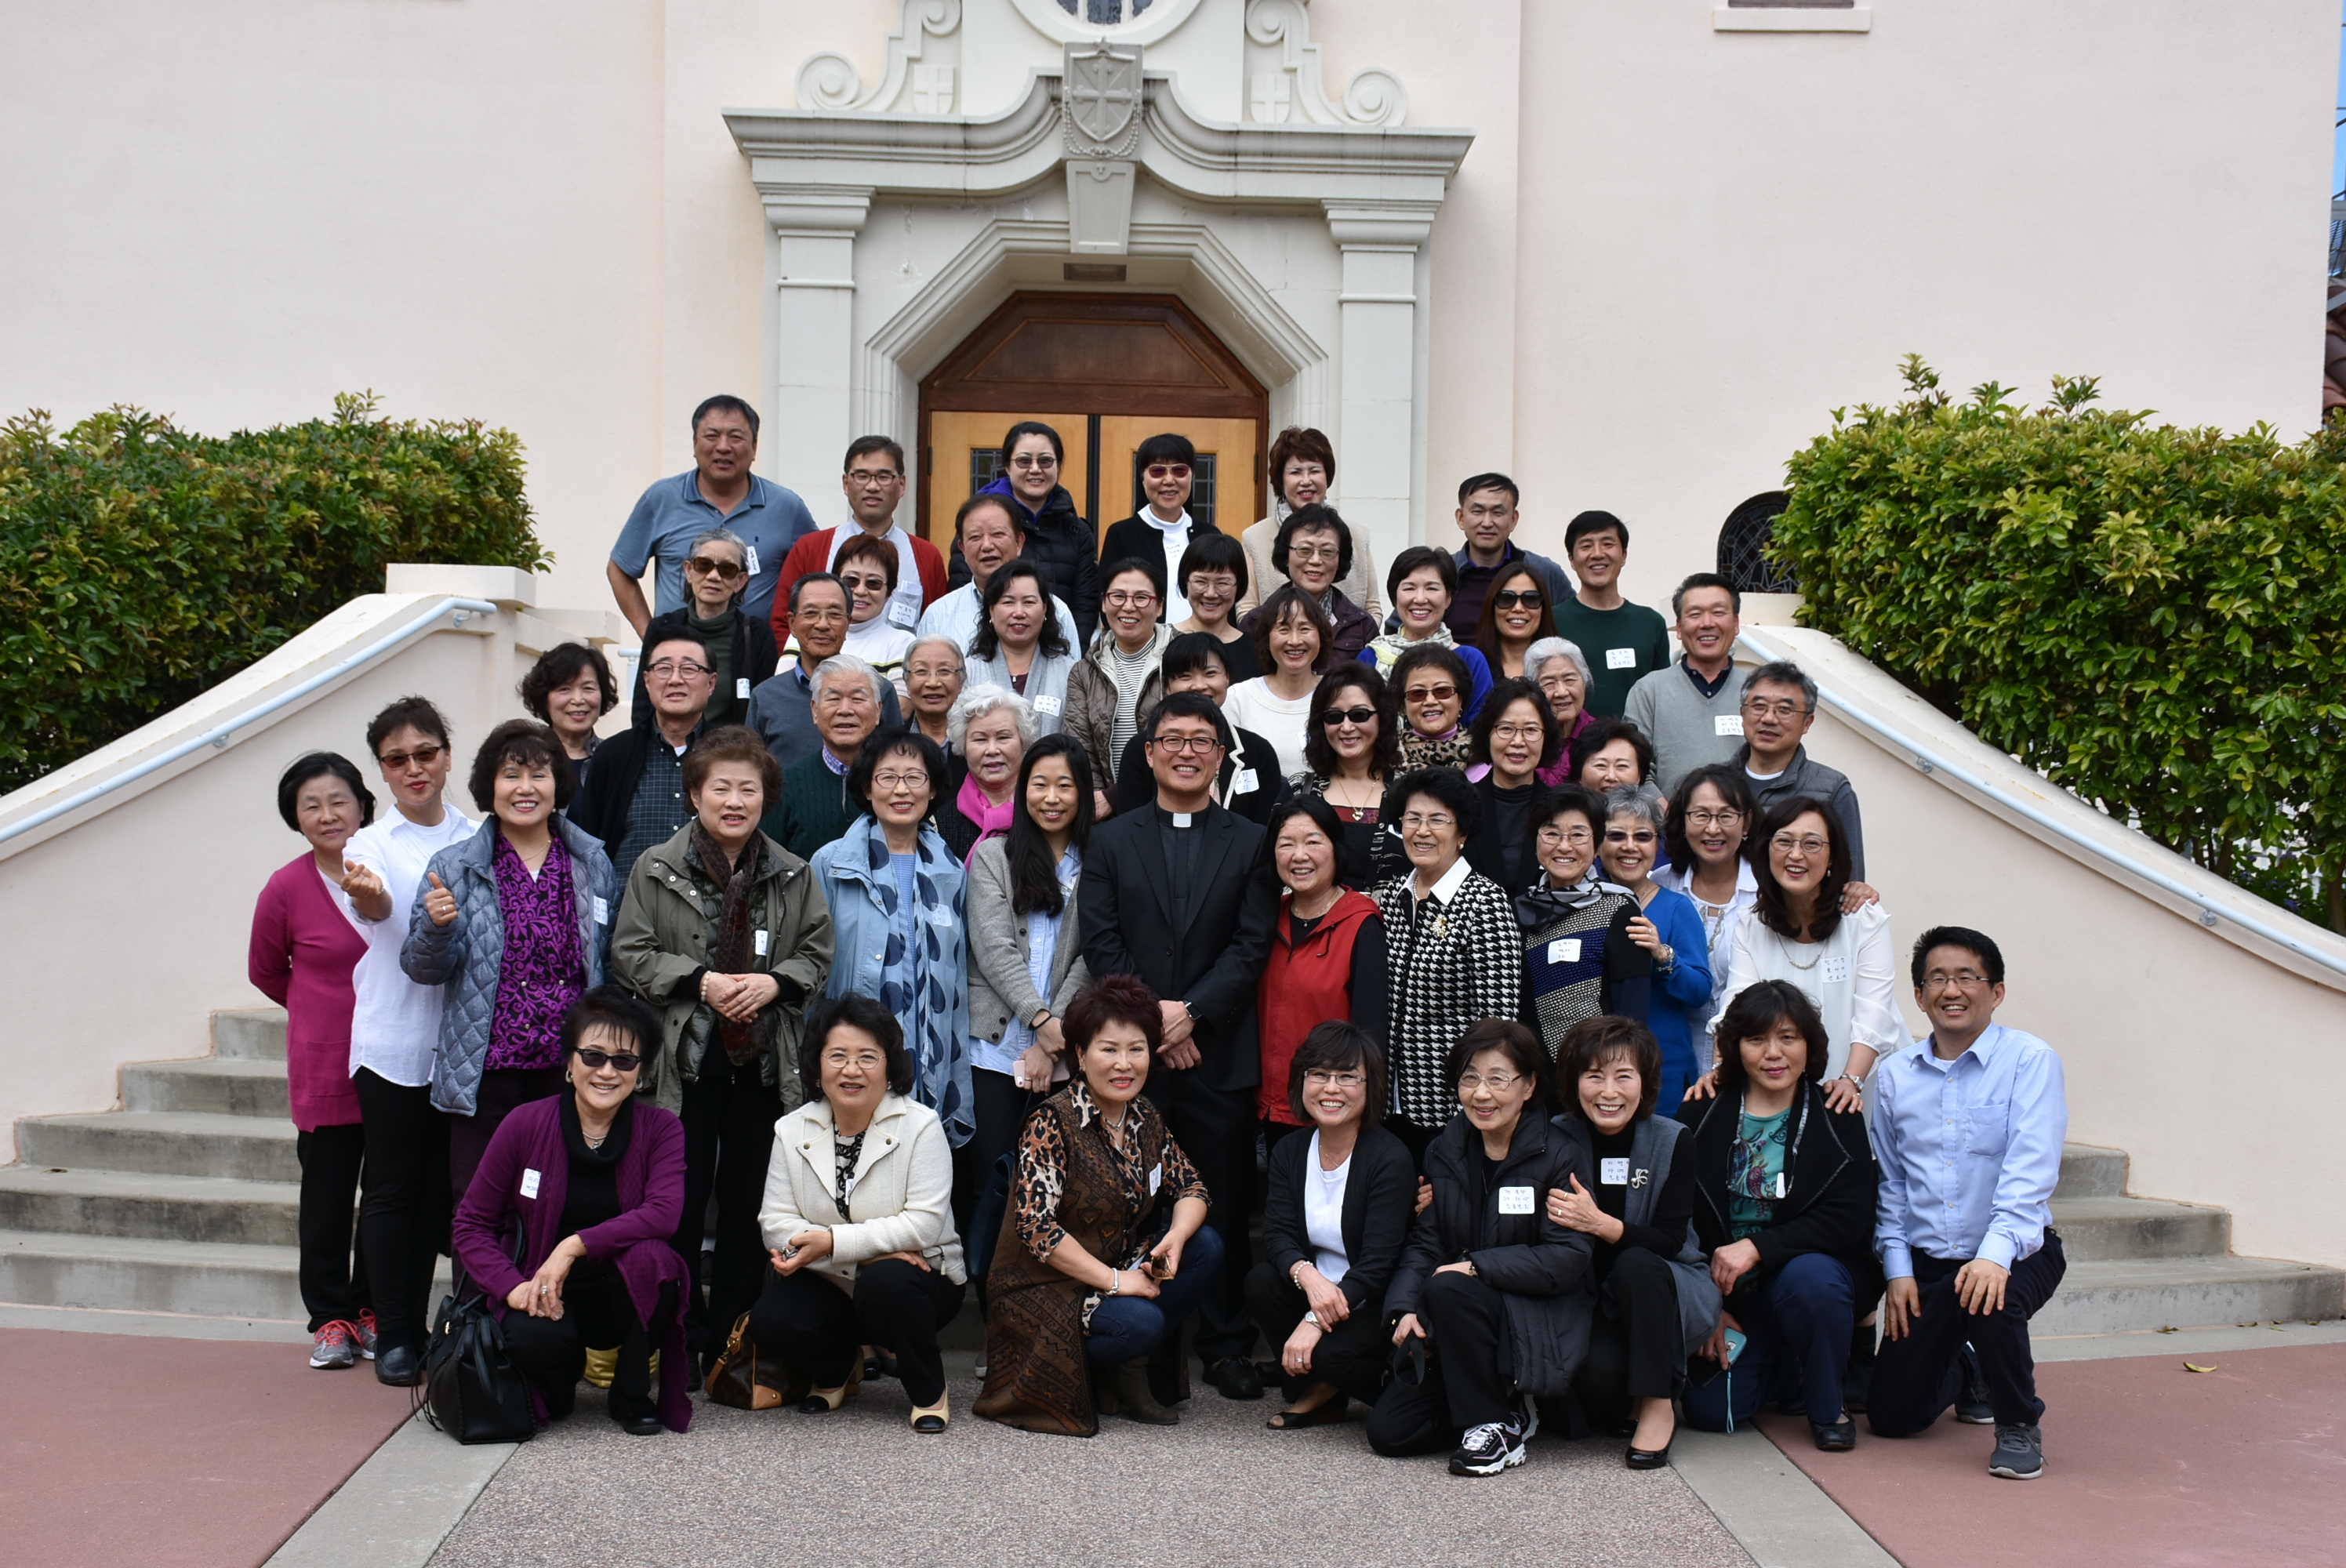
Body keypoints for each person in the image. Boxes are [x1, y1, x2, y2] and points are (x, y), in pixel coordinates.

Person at [608, 724, 833, 1361]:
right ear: (695, 795)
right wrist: (700, 982)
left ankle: (734, 1335)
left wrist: (772, 984)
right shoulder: (656, 867)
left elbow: (817, 954)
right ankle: (677, 1330)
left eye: (749, 790)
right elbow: (630, 953)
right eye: (721, 789)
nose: (734, 802)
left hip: (763, 1067)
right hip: (683, 1066)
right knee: (676, 1207)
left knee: (747, 1207)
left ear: (767, 798)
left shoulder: (793, 873)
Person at [1078, 694, 1280, 1400]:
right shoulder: (1110, 840)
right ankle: (1142, 1337)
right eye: (1172, 739)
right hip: (1132, 1064)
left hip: (1216, 1055)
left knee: (1220, 1199)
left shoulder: (1253, 841)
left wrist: (1192, 1015)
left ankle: (1224, 1344)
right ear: (1150, 752)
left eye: (1202, 740)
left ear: (1222, 754)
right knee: (1130, 1199)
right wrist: (1156, 1028)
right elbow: (1103, 943)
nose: (1187, 751)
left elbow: (1251, 944)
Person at [976, 975, 1221, 1435]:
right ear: (1081, 1056)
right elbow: (1036, 1229)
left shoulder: (1145, 1116)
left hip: (1116, 1267)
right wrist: (1117, 1282)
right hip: (1044, 1284)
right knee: (1141, 1324)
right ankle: (1096, 1368)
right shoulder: (1051, 1122)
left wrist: (1175, 1237)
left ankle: (1126, 1369)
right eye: (1108, 1049)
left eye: (1137, 1049)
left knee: (1205, 1245)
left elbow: (1192, 1187)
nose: (1124, 1064)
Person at [1868, 927, 2068, 1482]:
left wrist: (1993, 1256)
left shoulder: (2030, 1060)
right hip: (1930, 1261)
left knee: (1991, 1297)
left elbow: (2029, 1178)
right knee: (1891, 1417)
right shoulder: (1893, 1077)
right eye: (1937, 978)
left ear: (1996, 992)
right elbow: (1891, 1182)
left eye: (1967, 977)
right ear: (1919, 995)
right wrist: (1898, 1270)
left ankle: (2019, 1422)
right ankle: (1968, 1365)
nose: (1951, 989)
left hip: (2018, 1250)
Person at [450, 987, 692, 1435]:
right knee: (539, 1356)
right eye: (594, 1056)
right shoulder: (524, 1123)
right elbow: (472, 1224)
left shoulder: (661, 1128)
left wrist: (572, 1246)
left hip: (614, 1292)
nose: (607, 1071)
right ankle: (556, 1384)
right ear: (568, 1063)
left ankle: (631, 1392)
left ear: (640, 1073)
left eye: (624, 1060)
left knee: (656, 1262)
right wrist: (511, 1288)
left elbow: (663, 1214)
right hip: (540, 1291)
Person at [1367, 1020, 1593, 1476]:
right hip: (1456, 1316)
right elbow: (1426, 1242)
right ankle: (1503, 1410)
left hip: (1533, 1314)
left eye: (1497, 1079)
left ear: (1529, 1086)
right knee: (1389, 1433)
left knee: (1449, 1288)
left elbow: (1567, 1257)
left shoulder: (1559, 1154)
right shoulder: (1443, 1150)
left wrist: (1473, 1266)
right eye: (1469, 1078)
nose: (1482, 1094)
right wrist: (1404, 1308)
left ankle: (1493, 1422)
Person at [401, 720, 616, 1199]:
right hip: (487, 1068)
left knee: (555, 1199)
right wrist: (437, 928)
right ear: (488, 786)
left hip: (568, 1067)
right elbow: (423, 969)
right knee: (481, 1202)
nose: (525, 788)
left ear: (558, 783)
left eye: (539, 775)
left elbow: (607, 960)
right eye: (511, 775)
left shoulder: (591, 862)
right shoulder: (453, 866)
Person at [333, 696, 477, 1385]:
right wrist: (366, 894)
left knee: (439, 1196)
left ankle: (437, 1328)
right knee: (391, 1190)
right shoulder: (368, 847)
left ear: (447, 755)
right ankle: (394, 1333)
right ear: (383, 773)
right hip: (391, 1046)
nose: (415, 768)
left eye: (426, 753)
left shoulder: (477, 835)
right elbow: (379, 906)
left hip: (460, 1046)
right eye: (398, 759)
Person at [1678, 981, 1881, 1450]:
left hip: (1807, 1278)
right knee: (1711, 1414)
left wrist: (1758, 1247)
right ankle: (1785, 1365)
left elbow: (1848, 1218)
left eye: (1788, 1037)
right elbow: (1677, 1217)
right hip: (1730, 1294)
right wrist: (1708, 1305)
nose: (1774, 1053)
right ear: (1734, 1048)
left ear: (1809, 1046)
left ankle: (1828, 1402)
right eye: (1756, 1040)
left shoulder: (1836, 1113)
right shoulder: (1700, 1112)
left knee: (1811, 1280)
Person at [752, 995, 968, 1430]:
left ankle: (929, 1392)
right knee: (771, 1318)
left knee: (888, 1283)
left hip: (923, 1279)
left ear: (890, 1065)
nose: (851, 1070)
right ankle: (836, 1370)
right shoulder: (790, 1129)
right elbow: (774, 1224)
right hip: (835, 1281)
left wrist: (830, 1244)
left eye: (867, 1057)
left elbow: (923, 1225)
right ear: (817, 1064)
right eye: (838, 1056)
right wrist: (863, 1254)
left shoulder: (921, 1126)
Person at [250, 752, 376, 1370]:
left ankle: (373, 1306)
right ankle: (331, 1317)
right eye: (312, 805)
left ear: (362, 803)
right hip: (324, 1063)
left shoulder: (392, 864)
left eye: (338, 800)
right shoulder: (286, 887)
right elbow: (267, 971)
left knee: (387, 1192)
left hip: (392, 1059)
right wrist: (315, 1007)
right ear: (295, 818)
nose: (329, 815)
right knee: (326, 1198)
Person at [1549, 1016, 1721, 1468]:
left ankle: (1657, 1403)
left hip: (1666, 1282)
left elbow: (1668, 1239)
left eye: (1623, 1076)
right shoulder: (1554, 1135)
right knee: (1594, 1387)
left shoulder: (1672, 1139)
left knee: (1637, 1262)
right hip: (1590, 1296)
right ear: (1574, 1081)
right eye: (1594, 1076)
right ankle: (1626, 1392)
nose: (1609, 1092)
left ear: (1645, 1084)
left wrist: (1601, 1224)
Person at [809, 728, 972, 1150]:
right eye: (887, 777)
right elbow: (813, 962)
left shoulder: (951, 870)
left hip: (930, 1048)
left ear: (933, 789)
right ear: (867, 787)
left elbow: (956, 979)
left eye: (914, 778)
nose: (901, 790)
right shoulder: (831, 864)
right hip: (854, 1050)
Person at [1245, 1023, 1414, 1428]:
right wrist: (1309, 1278)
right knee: (1261, 1282)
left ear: (1370, 1086)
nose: (1331, 1088)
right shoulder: (1290, 1150)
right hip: (1319, 1289)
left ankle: (1337, 1383)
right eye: (1319, 1075)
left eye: (1347, 1077)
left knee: (1327, 1354)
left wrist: (1312, 1321)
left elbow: (1378, 1265)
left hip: (1369, 1300)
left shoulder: (1389, 1158)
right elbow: (1278, 1233)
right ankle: (1323, 1390)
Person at [964, 735, 1096, 1220]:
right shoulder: (993, 858)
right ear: (1023, 792)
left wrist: (1051, 1036)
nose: (1052, 797)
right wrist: (1040, 1020)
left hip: (1069, 1053)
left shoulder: (1100, 861)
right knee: (994, 1185)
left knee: (1058, 1189)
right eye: (1039, 784)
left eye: (1065, 785)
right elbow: (993, 948)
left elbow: (1093, 952)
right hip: (995, 1052)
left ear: (1083, 793)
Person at [1699, 797, 1895, 1106]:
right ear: (1765, 849)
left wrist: (1850, 1080)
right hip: (1777, 1085)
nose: (1796, 854)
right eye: (1784, 841)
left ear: (1832, 857)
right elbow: (1737, 1002)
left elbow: (1875, 1013)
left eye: (1812, 844)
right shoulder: (1752, 923)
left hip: (1858, 1079)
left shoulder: (1863, 919)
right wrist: (1719, 1068)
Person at [1374, 768, 1523, 1157]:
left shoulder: (1485, 902)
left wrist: (1475, 1097)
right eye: (1412, 819)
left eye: (1437, 820)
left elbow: (1497, 1020)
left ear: (1462, 834)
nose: (1422, 831)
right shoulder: (1392, 896)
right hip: (1389, 1101)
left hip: (1451, 1105)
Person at [607, 394, 816, 634]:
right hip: (676, 661)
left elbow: (817, 578)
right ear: (695, 443)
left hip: (756, 662)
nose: (724, 447)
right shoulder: (661, 498)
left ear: (755, 447)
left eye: (736, 437)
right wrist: (650, 634)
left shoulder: (787, 507)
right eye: (712, 436)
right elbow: (620, 569)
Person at [1257, 798, 1389, 1148]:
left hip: (1332, 1109)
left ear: (1336, 848)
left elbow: (1370, 1030)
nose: (1299, 855)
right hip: (1265, 1105)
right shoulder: (1265, 918)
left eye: (1313, 842)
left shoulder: (1361, 923)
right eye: (1286, 844)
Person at [1596, 789, 1713, 1118]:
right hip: (1597, 1070)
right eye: (1616, 836)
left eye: (1643, 837)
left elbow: (1700, 991)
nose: (1629, 846)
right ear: (1598, 844)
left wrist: (1663, 955)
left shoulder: (1676, 908)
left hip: (1665, 1069)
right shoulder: (1582, 904)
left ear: (1657, 845)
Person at [570, 629, 717, 885]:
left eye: (689, 669)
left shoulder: (732, 755)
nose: (675, 679)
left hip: (711, 916)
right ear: (647, 681)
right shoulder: (613, 755)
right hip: (628, 917)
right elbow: (589, 848)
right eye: (663, 669)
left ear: (711, 683)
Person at [1515, 784, 1652, 1052]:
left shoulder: (1619, 910)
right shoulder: (1520, 910)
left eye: (1578, 835)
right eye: (1552, 834)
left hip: (1595, 1068)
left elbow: (1632, 1012)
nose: (1564, 847)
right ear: (1536, 842)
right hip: (1532, 1072)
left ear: (1597, 845)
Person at [770, 436, 945, 642]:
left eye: (884, 477)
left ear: (902, 485)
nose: (872, 486)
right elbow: (783, 623)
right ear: (846, 483)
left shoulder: (926, 556)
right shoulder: (810, 549)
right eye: (862, 476)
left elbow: (938, 627)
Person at [1108, 633, 1286, 827]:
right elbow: (1131, 830)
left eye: (1210, 674)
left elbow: (1266, 834)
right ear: (1167, 685)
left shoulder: (1258, 752)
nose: (1199, 686)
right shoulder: (1141, 749)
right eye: (1185, 676)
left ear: (1227, 677)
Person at [953, 420, 1101, 646]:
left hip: (1056, 653)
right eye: (1024, 461)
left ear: (1058, 465)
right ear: (1007, 465)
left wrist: (1069, 657)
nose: (1035, 469)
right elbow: (964, 596)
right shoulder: (977, 526)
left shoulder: (1077, 532)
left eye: (1045, 461)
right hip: (985, 650)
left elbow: (1085, 607)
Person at [744, 573, 906, 773]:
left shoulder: (880, 690)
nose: (822, 624)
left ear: (848, 623)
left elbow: (895, 766)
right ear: (792, 623)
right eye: (811, 613)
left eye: (835, 614)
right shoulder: (766, 696)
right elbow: (752, 772)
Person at [626, 527, 779, 731]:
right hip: (668, 748)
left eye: (726, 570)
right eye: (704, 565)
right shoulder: (662, 628)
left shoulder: (757, 634)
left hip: (730, 753)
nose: (714, 576)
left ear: (740, 581)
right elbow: (643, 704)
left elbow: (764, 711)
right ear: (689, 571)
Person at [1737, 660, 1866, 880]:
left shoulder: (1832, 789)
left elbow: (1849, 878)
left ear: (1808, 723)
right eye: (1758, 707)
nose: (1769, 718)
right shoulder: (1718, 783)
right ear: (1742, 713)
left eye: (1785, 710)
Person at [1237, 426, 1382, 620]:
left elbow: (1372, 609)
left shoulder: (1357, 535)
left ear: (1327, 476)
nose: (1306, 481)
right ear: (1281, 479)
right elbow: (1246, 611)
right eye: (1295, 472)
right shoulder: (1255, 537)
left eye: (1314, 471)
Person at [915, 491, 1081, 657]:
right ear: (963, 549)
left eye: (997, 534)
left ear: (1019, 542)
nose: (987, 545)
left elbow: (1072, 678)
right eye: (975, 537)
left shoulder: (1057, 611)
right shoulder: (938, 615)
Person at [1656, 764, 1761, 1023]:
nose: (1713, 829)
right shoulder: (1659, 885)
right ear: (1682, 821)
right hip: (1674, 1050)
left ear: (1746, 823)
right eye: (1701, 815)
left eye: (1726, 816)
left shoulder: (1768, 890)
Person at [1285, 663, 1403, 889]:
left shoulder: (1408, 792)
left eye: (1359, 715)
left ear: (1383, 718)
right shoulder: (1300, 790)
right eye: (1335, 716)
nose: (1347, 727)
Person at [1623, 573, 1744, 793]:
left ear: (1736, 623)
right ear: (1679, 628)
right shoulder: (1649, 691)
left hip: (1742, 825)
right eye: (1695, 614)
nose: (1707, 623)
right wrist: (1671, 819)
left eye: (1718, 613)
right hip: (1666, 825)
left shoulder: (1755, 691)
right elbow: (1634, 769)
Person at [763, 654, 889, 862]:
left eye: (858, 699)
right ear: (814, 710)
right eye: (833, 698)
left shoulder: (897, 783)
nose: (845, 710)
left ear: (878, 712)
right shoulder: (785, 785)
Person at [1064, 557, 1171, 800]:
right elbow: (1080, 750)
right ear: (1104, 602)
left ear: (1160, 606)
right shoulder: (1084, 672)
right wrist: (1099, 802)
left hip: (1169, 801)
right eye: (1118, 596)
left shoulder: (1182, 658)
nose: (1128, 607)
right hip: (1104, 812)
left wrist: (1115, 797)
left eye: (1141, 598)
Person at [1548, 510, 1672, 717]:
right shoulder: (1552, 621)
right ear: (1571, 559)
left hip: (1637, 746)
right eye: (1586, 546)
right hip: (1571, 747)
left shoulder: (1650, 623)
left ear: (1623, 555)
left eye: (1608, 544)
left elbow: (1661, 697)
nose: (1597, 554)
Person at [1361, 545, 1494, 719]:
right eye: (1409, 588)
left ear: (1448, 599)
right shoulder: (1370, 658)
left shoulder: (1470, 660)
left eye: (1432, 588)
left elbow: (1481, 728)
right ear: (1395, 598)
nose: (1420, 599)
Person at [1222, 583, 1331, 781]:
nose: (1295, 640)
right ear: (1267, 639)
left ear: (1321, 636)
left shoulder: (1337, 696)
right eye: (1283, 629)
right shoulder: (1238, 699)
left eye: (1305, 628)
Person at [1446, 474, 1573, 644]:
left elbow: (1573, 628)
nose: (1487, 522)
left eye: (1498, 513)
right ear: (1461, 518)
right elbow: (1402, 631)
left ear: (1513, 520)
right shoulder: (1443, 573)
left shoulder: (1544, 572)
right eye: (1477, 512)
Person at [1240, 506, 1374, 666]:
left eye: (1327, 552)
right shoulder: (1256, 622)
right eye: (1305, 550)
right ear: (1286, 556)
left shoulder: (1361, 625)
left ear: (1340, 560)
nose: (1316, 560)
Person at [1462, 677, 1560, 891]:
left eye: (1531, 730)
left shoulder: (1562, 809)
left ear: (1546, 737)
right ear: (1487, 734)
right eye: (1506, 729)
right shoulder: (1460, 806)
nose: (1518, 741)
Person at [1099, 433, 1205, 623]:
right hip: (1141, 649)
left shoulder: (1209, 535)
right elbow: (1107, 605)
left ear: (1191, 476)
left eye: (1179, 470)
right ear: (1143, 478)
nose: (1169, 480)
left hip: (1199, 648)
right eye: (1158, 471)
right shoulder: (1121, 535)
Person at [964, 560, 1078, 734]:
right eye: (1008, 602)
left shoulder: (1070, 672)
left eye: (1029, 602)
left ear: (1045, 609)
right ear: (992, 611)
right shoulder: (968, 671)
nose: (1019, 613)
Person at [935, 684, 1033, 863]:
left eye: (1003, 737)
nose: (992, 750)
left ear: (1023, 740)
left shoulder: (1043, 809)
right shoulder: (942, 824)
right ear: (963, 745)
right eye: (980, 739)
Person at [829, 531, 917, 699]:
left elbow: (900, 708)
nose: (861, 591)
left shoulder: (902, 643)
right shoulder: (806, 633)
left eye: (873, 583)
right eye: (851, 581)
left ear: (889, 593)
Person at [521, 642, 620, 785]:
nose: (578, 700)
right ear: (544, 697)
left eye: (588, 688)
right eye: (564, 689)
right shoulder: (524, 758)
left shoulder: (619, 760)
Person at [1168, 530, 1259, 682]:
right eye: (1200, 582)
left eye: (1223, 583)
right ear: (1186, 582)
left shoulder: (1256, 650)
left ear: (1239, 585)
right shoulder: (1162, 642)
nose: (1210, 594)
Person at [1390, 643, 1475, 773]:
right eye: (1417, 694)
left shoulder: (1484, 760)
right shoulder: (1385, 762)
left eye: (1442, 691)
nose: (1430, 701)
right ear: (1403, 706)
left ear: (1460, 700)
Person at [1524, 636, 1597, 783]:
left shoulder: (1602, 738)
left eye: (1570, 680)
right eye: (1549, 683)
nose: (1562, 692)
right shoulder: (1521, 737)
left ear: (1585, 681)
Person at [1473, 559, 1559, 683]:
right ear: (1492, 607)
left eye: (1531, 599)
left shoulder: (1561, 667)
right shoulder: (1471, 668)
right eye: (1506, 598)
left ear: (1543, 609)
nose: (1518, 608)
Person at [902, 635, 965, 753]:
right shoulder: (889, 744)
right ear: (907, 681)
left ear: (961, 682)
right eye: (921, 671)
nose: (933, 683)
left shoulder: (975, 739)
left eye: (944, 671)